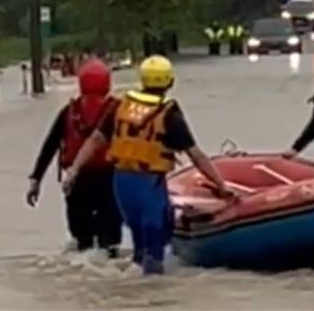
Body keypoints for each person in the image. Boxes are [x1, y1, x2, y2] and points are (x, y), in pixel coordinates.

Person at [64, 55, 235, 275]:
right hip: (149, 185)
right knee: (155, 249)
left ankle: (134, 292)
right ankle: (153, 299)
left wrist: (74, 170)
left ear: (142, 80)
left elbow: (95, 140)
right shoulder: (169, 115)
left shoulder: (121, 106)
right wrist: (221, 185)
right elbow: (196, 155)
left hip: (121, 184)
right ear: (170, 82)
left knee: (138, 244)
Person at [26, 58, 123, 256]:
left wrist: (36, 180)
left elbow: (50, 146)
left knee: (82, 241)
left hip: (77, 181)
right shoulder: (119, 110)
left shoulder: (69, 112)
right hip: (111, 180)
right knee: (110, 242)